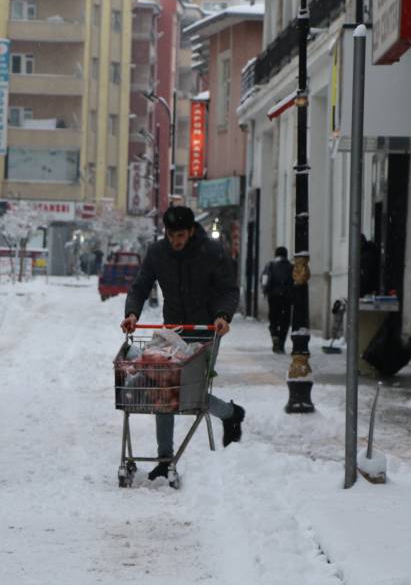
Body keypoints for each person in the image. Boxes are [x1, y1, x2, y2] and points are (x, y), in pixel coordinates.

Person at [121, 205, 245, 483]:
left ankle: (231, 413)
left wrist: (223, 316)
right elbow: (141, 286)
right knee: (166, 387)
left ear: (191, 231)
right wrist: (132, 313)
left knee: (192, 394)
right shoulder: (157, 253)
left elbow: (228, 289)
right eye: (171, 236)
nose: (175, 241)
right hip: (173, 332)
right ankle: (165, 459)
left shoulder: (211, 252)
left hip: (206, 330)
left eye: (180, 236)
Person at [261, 246, 294, 354]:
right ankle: (281, 343)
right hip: (286, 297)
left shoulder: (270, 265)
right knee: (285, 321)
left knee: (273, 318)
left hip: (273, 297)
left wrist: (265, 291)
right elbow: (294, 282)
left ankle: (274, 334)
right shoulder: (290, 266)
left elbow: (264, 279)